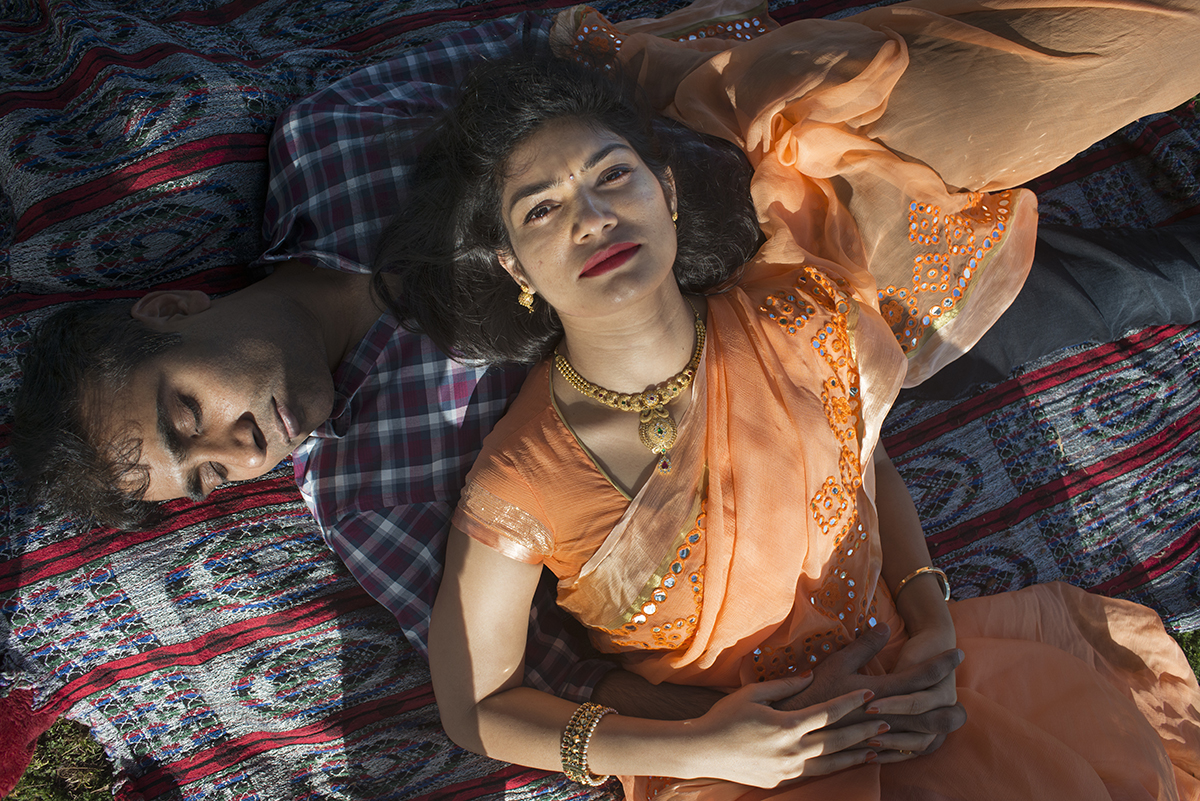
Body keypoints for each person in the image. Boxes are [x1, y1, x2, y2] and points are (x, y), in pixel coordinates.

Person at [372, 2, 1200, 797]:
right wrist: (707, 744)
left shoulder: (794, 313)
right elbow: (476, 707)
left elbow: (863, 455)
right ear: (515, 266)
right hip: (728, 770)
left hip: (910, 698)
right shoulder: (524, 479)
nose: (590, 218)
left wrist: (929, 621)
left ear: (664, 191)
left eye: (612, 175)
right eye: (542, 209)